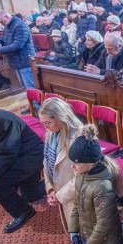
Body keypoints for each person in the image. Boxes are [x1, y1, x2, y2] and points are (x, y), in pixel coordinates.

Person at [0, 106, 45, 233]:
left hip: (31, 157)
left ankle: (23, 212)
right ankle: (53, 186)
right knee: (29, 196)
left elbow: (6, 155)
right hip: (18, 156)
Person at [68, 124, 123, 244]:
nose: (73, 166)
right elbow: (76, 203)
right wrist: (73, 231)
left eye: (76, 163)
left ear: (91, 163)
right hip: (89, 235)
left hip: (105, 243)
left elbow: (104, 224)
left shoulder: (102, 187)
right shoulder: (82, 175)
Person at [39, 98, 83, 232]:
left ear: (61, 118)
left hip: (78, 195)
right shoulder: (51, 133)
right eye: (43, 123)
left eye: (48, 123)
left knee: (88, 235)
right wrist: (51, 189)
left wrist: (60, 195)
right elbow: (47, 163)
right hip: (60, 192)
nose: (45, 127)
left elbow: (82, 175)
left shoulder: (80, 136)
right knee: (75, 231)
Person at [0, 10, 36, 89]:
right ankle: (32, 101)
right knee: (24, 85)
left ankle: (36, 102)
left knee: (30, 87)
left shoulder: (20, 26)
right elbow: (2, 39)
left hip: (25, 61)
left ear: (6, 16)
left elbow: (18, 45)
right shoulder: (8, 26)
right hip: (16, 61)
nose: (1, 24)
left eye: (1, 21)